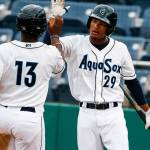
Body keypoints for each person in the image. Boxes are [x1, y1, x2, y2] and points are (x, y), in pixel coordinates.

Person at [44, 4, 150, 150]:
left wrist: (147, 109)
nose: (96, 26)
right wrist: (52, 28)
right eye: (94, 21)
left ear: (110, 28)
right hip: (86, 113)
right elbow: (48, 49)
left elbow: (132, 81)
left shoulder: (120, 49)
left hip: (113, 114)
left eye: (101, 24)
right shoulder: (75, 42)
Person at [0, 4, 65, 150]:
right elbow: (60, 67)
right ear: (42, 28)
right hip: (29, 119)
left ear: (18, 23)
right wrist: (54, 34)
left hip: (2, 115)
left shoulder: (3, 50)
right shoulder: (50, 53)